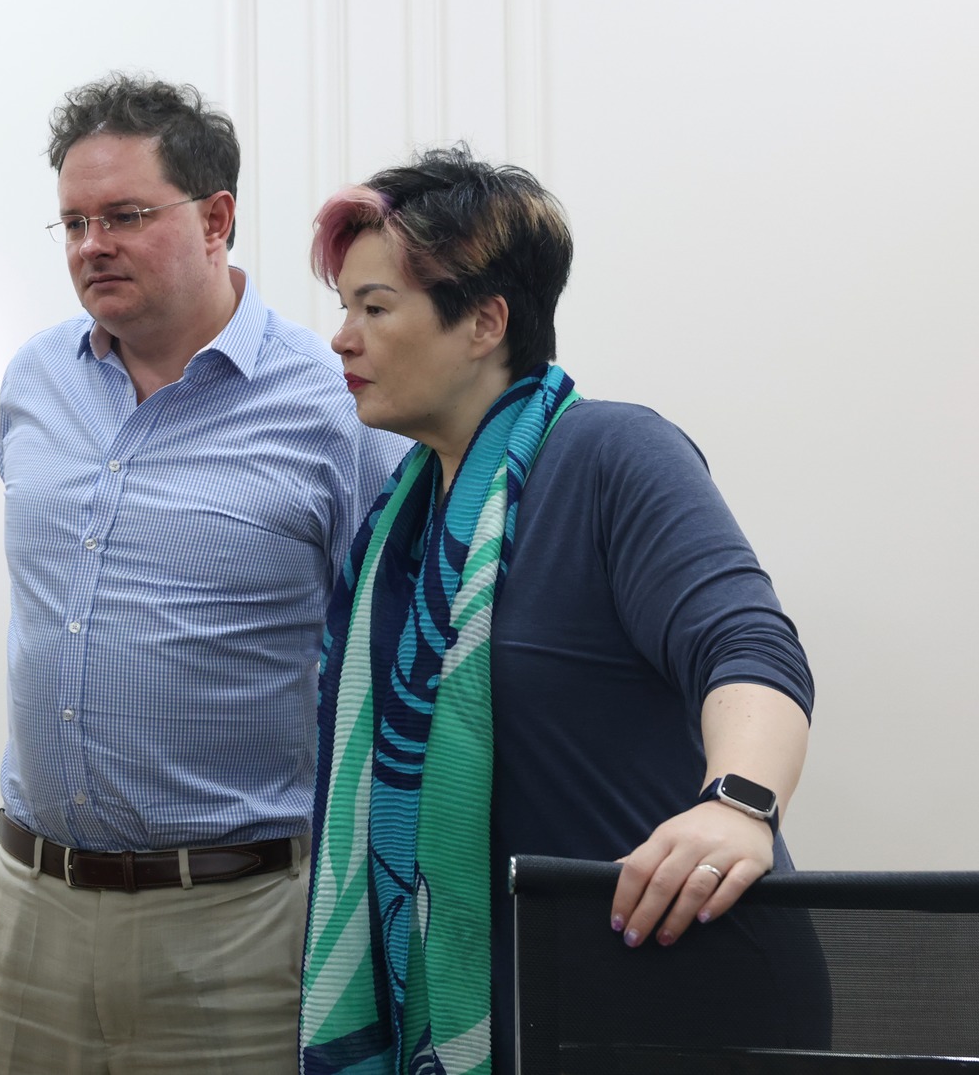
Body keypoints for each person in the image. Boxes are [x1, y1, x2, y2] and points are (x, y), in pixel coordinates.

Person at [298, 147, 820, 1073]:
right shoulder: (398, 527)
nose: (342, 337)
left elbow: (747, 646)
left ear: (485, 321)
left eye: (374, 308)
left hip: (673, 992)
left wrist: (739, 802)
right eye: (344, 307)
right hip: (502, 1006)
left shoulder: (614, 455)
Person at [0, 75, 403, 1074]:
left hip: (236, 931)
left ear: (215, 219)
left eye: (124, 215)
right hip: (28, 915)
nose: (92, 244)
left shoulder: (333, 404)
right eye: (74, 221)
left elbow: (398, 654)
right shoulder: (34, 378)